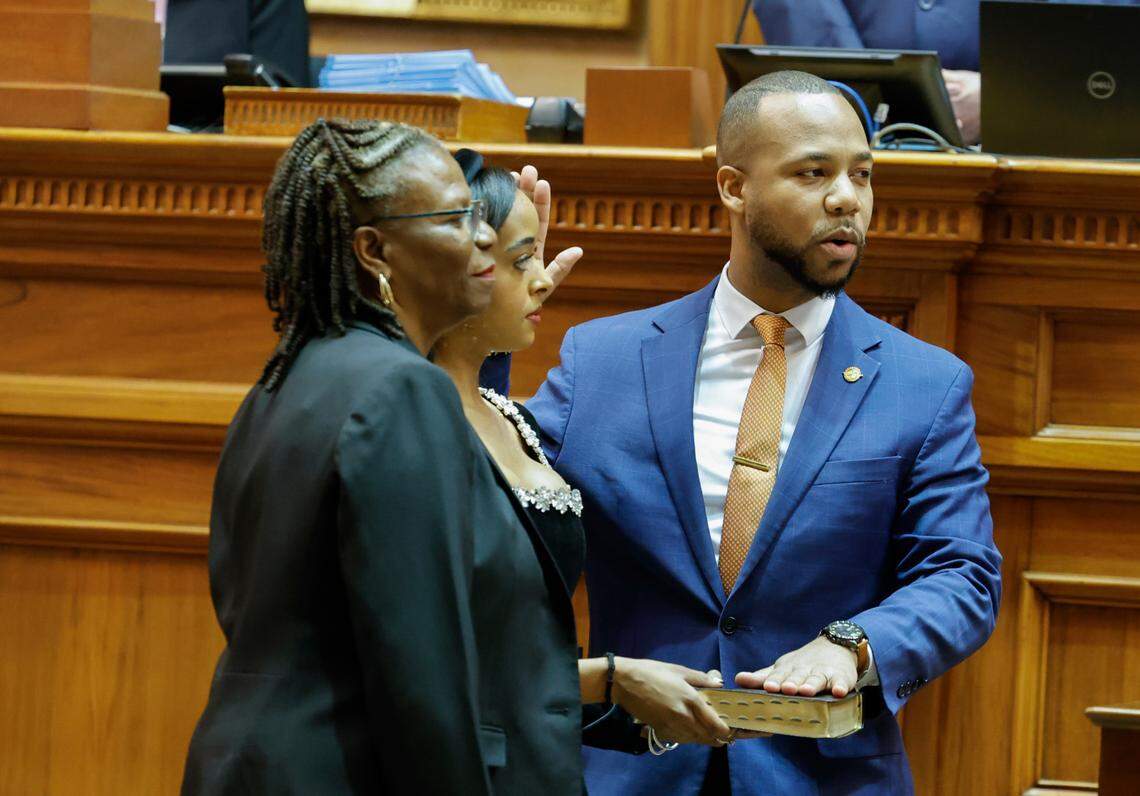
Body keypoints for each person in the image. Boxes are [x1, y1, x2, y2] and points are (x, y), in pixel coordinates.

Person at [488, 71, 1002, 794]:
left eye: (861, 174)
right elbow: (485, 502)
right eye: (813, 173)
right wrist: (485, 322)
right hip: (632, 768)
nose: (847, 199)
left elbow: (962, 575)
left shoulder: (925, 384)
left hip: (820, 775)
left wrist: (854, 644)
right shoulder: (604, 360)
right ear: (733, 187)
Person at [181, 117, 588, 795]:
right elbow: (422, 677)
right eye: (456, 219)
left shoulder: (286, 378)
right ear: (375, 250)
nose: (483, 237)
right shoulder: (404, 390)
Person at [432, 152, 737, 761]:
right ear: (448, 267)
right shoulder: (407, 425)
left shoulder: (513, 421)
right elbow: (429, 654)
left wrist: (643, 718)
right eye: (521, 261)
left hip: (537, 756)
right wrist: (610, 680)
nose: (543, 280)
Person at [751, 0, 1140, 145]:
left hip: (1041, 184)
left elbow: (1112, 50)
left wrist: (1008, 100)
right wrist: (885, 96)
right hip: (848, 164)